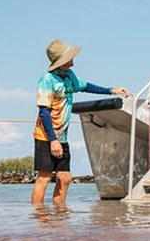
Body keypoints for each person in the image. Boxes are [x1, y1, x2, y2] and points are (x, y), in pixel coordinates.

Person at [32, 39, 130, 207]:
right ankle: (38, 217)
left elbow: (85, 86)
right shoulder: (47, 80)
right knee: (45, 176)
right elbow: (44, 112)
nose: (73, 60)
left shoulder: (69, 76)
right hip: (46, 136)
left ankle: (60, 215)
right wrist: (53, 140)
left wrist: (111, 90)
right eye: (70, 57)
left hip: (61, 137)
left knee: (65, 178)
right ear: (61, 60)